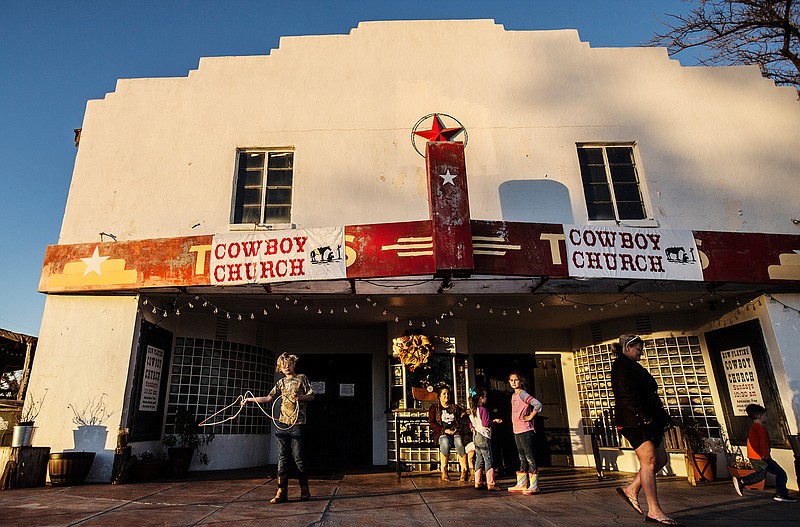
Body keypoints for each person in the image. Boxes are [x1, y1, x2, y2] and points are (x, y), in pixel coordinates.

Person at [611, 335, 681, 526]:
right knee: (649, 460)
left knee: (661, 459)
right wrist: (644, 415)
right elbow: (626, 394)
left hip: (650, 420)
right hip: (634, 421)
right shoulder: (621, 366)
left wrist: (661, 417)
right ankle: (654, 511)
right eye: (638, 349)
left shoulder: (633, 366)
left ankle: (632, 488)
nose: (641, 352)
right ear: (627, 347)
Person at [242, 352, 315, 504]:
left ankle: (304, 489)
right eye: (284, 366)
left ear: (293, 365)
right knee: (282, 458)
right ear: (280, 368)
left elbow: (311, 396)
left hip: (297, 423)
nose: (286, 367)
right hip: (282, 423)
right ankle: (281, 491)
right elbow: (269, 398)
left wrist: (300, 397)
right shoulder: (280, 383)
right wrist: (250, 399)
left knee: (298, 458)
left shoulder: (302, 378)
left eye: (289, 364)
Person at [732, 404, 797, 502]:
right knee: (781, 473)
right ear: (759, 416)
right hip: (761, 457)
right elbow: (763, 443)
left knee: (760, 475)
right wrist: (764, 455)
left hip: (754, 456)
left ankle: (742, 481)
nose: (767, 417)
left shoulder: (753, 428)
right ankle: (781, 494)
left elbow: (753, 442)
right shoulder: (761, 429)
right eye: (765, 415)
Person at [506, 371, 543, 495]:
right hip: (517, 429)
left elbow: (537, 404)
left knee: (529, 456)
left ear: (521, 381)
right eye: (511, 380)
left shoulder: (522, 394)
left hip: (525, 429)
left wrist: (530, 416)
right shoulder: (513, 396)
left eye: (516, 380)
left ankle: (534, 484)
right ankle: (522, 483)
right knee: (521, 456)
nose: (514, 382)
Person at [428, 385, 469, 481]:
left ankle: (464, 470)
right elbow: (432, 422)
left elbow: (461, 416)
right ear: (439, 396)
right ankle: (444, 470)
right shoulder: (435, 407)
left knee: (460, 442)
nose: (446, 396)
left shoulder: (454, 407)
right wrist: (444, 430)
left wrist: (466, 413)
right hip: (442, 432)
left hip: (455, 431)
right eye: (444, 394)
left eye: (448, 394)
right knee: (445, 442)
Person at [468, 387, 503, 490]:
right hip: (483, 435)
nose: (486, 398)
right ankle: (491, 483)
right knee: (488, 458)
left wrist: (472, 428)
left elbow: (470, 422)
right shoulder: (483, 410)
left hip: (476, 436)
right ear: (481, 398)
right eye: (485, 396)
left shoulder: (472, 410)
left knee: (479, 458)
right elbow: (486, 423)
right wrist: (495, 421)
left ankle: (478, 481)